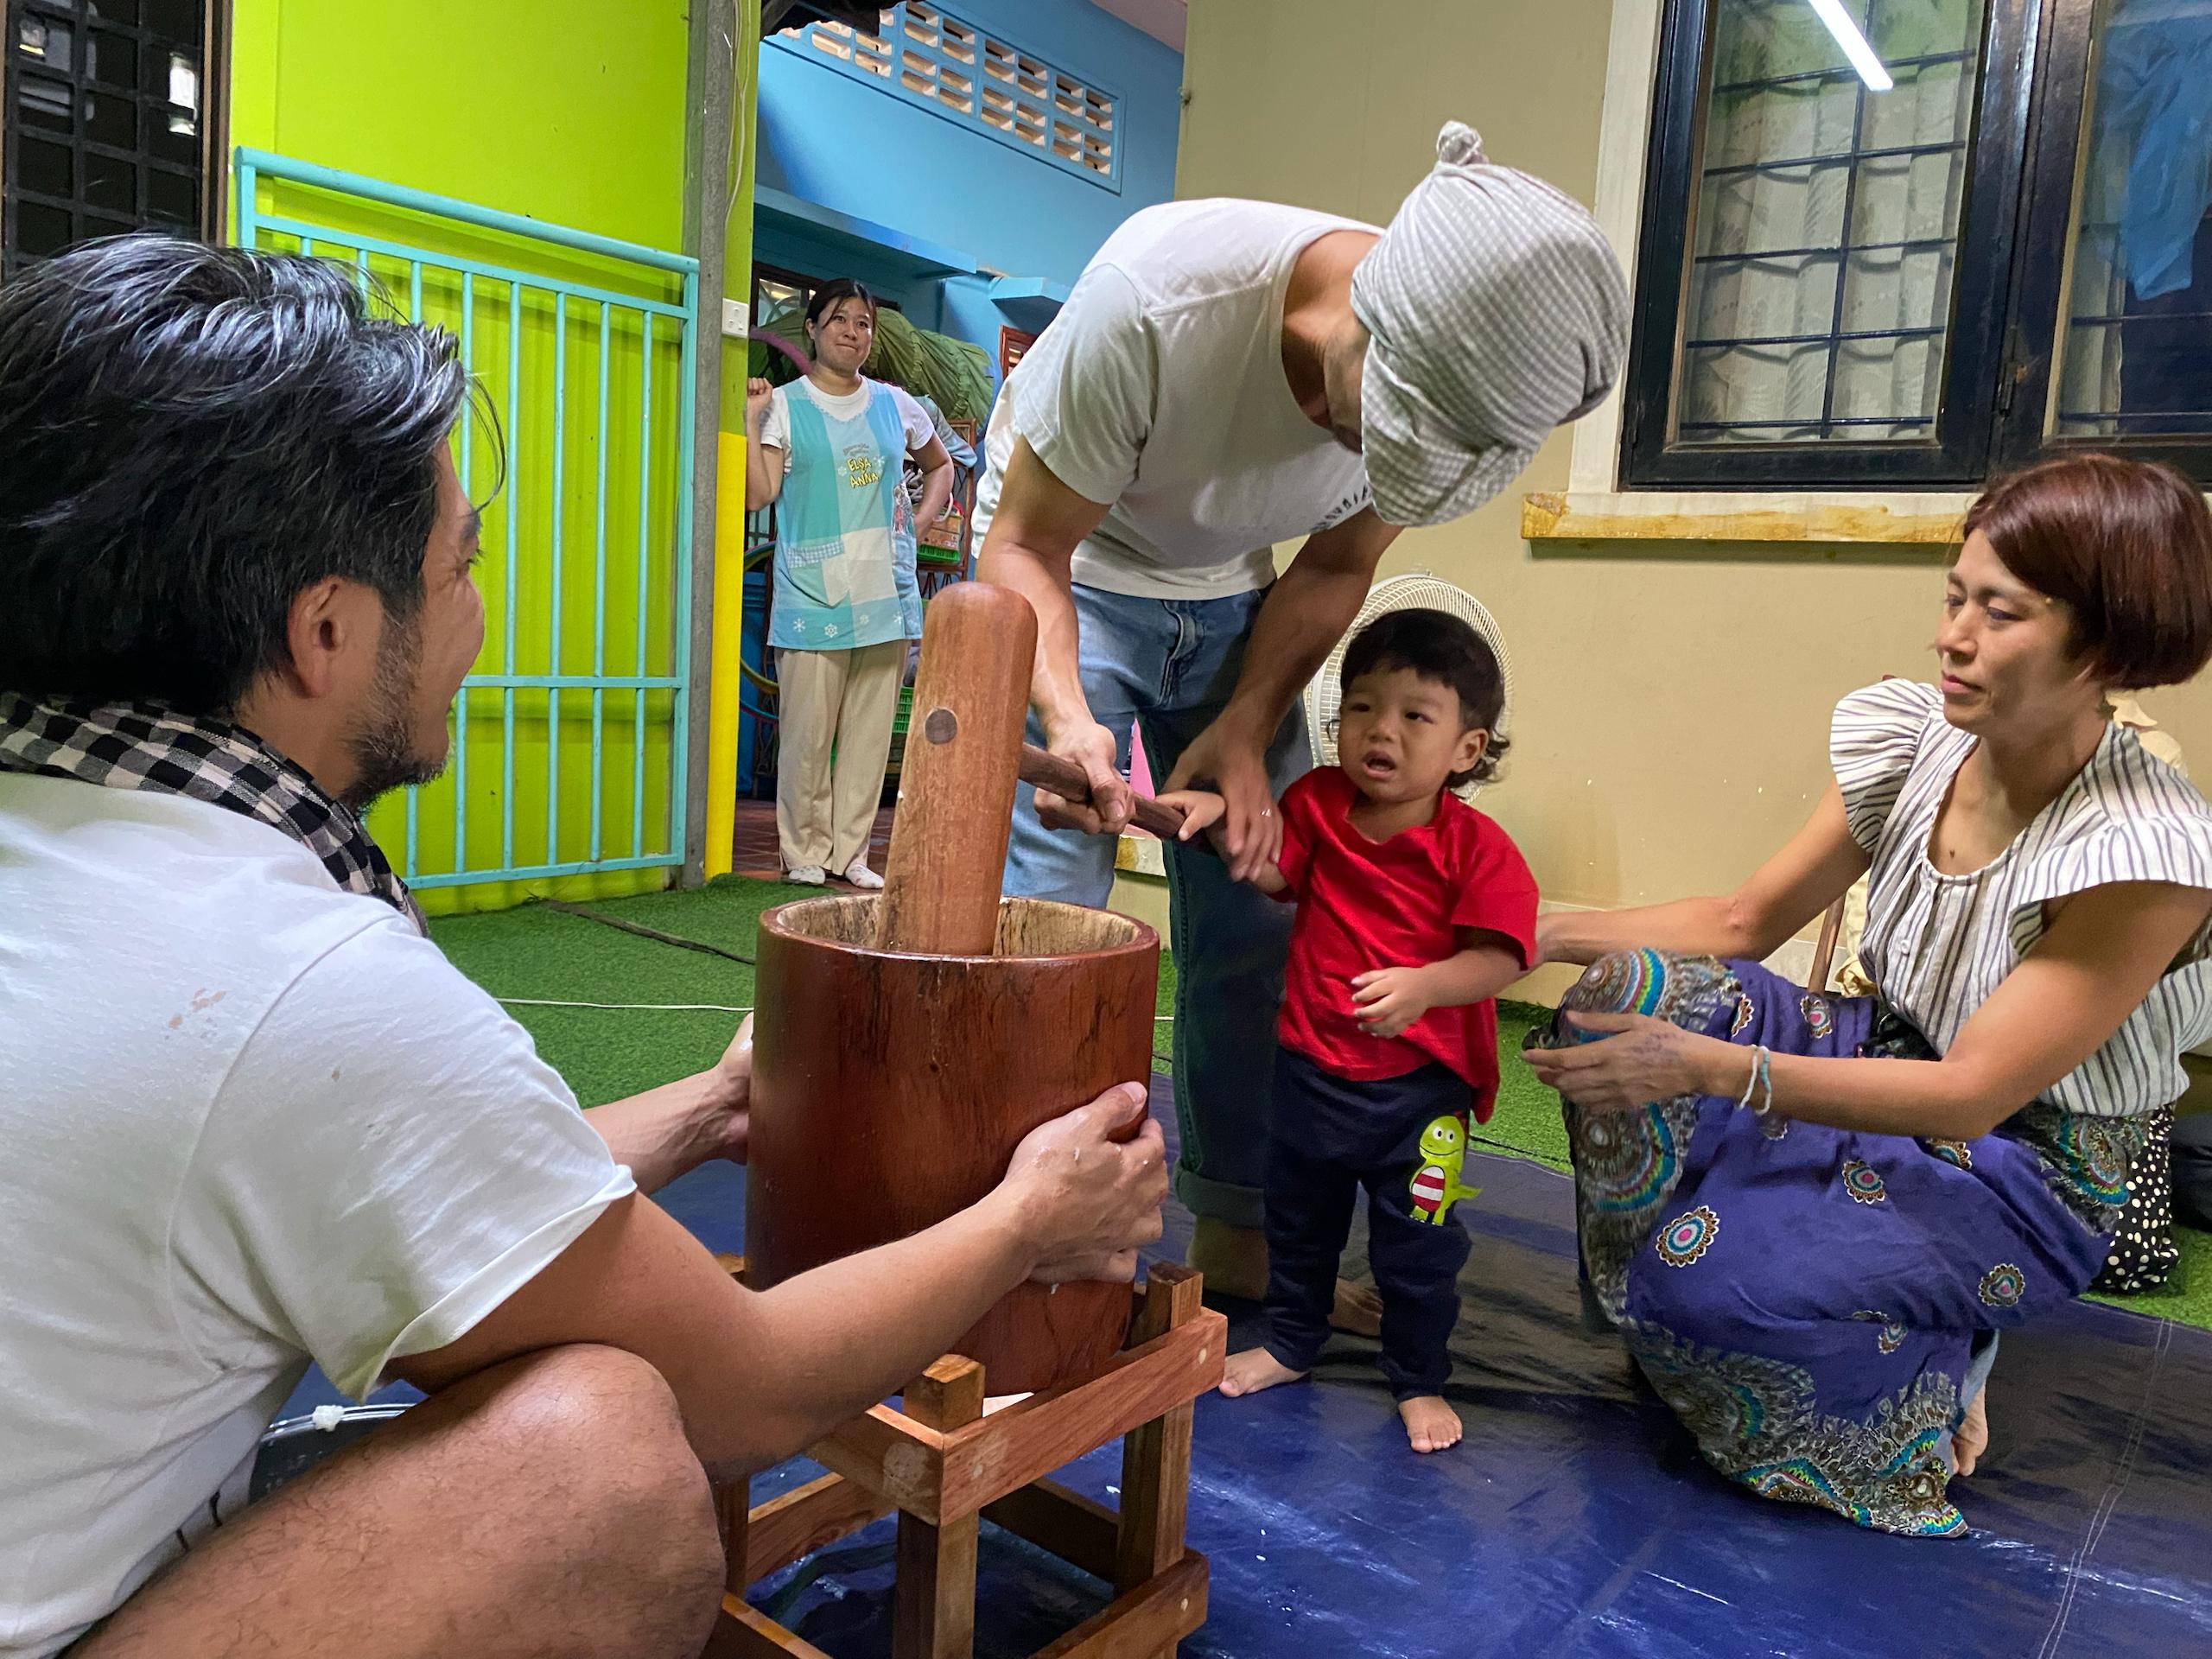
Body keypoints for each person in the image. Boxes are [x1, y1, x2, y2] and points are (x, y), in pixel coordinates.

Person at [0, 237, 1165, 1659]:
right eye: (460, 568)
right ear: (325, 630)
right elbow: (744, 1391)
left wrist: (714, 1107)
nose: (475, 616)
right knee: (598, 1463)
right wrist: (1031, 1219)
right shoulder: (292, 981)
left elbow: (442, 1196)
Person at [974, 120, 1628, 1315]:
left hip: (1233, 586)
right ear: (1370, 316)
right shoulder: (1156, 301)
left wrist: (1244, 725)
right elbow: (1027, 545)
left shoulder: (1458, 385)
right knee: (1056, 922)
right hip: (1072, 563)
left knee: (1259, 915)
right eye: (1376, 427)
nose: (1366, 451)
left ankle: (1240, 1230)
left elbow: (1332, 567)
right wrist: (1069, 718)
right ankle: (1017, 1244)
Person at [1522, 454, 2212, 1537]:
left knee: (1704, 1286)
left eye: (1999, 612)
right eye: (1953, 597)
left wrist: (1708, 1067)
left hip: (2021, 1162)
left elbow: (1971, 1096)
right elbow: (1744, 920)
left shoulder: (2141, 851)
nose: (1952, 636)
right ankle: (1702, 1309)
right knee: (1621, 998)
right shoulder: (1922, 740)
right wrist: (1528, 934)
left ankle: (1912, 1402)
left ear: (2106, 648)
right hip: (1876, 1046)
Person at [1161, 610, 1538, 1452]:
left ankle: (1418, 1378)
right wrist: (1217, 814)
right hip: (1310, 1072)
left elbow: (1502, 957)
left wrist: (1426, 987)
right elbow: (1273, 872)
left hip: (1421, 1098)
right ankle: (1293, 1342)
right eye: (1361, 707)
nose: (1381, 730)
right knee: (1299, 1224)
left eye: (1414, 715)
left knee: (1419, 1247)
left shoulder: (1476, 849)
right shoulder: (1318, 804)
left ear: (1467, 749)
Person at [744, 278, 954, 889]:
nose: (852, 332)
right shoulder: (785, 405)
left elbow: (941, 464)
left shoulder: (897, 404)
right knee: (807, 737)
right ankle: (804, 852)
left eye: (863, 323)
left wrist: (919, 524)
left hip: (885, 594)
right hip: (812, 594)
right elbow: (760, 494)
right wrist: (752, 420)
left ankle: (850, 854)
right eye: (838, 319)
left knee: (868, 736)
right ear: (812, 328)